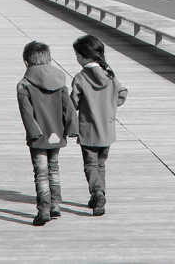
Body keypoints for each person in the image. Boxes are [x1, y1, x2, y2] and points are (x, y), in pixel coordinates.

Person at [17, 41, 77, 226]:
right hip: (56, 134)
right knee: (54, 168)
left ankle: (43, 208)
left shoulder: (24, 85)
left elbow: (27, 113)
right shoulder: (60, 82)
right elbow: (69, 108)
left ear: (27, 61)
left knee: (41, 173)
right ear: (48, 58)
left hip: (38, 136)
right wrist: (72, 128)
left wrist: (34, 132)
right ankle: (56, 206)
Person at [70, 34, 128, 217]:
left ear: (84, 56)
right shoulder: (110, 74)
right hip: (107, 130)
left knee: (90, 164)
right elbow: (122, 93)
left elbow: (73, 104)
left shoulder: (80, 78)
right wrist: (111, 106)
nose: (76, 58)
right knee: (101, 164)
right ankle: (99, 194)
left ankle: (97, 192)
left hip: (88, 130)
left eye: (77, 55)